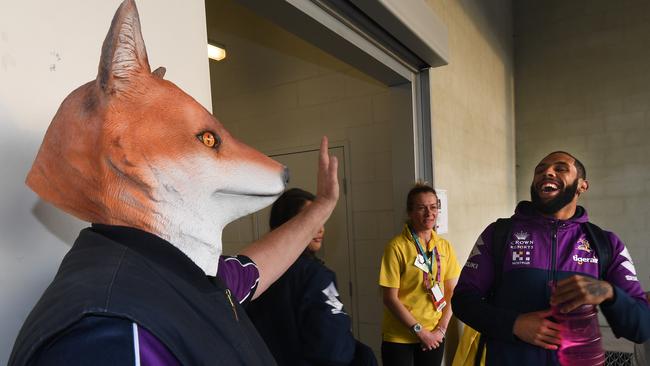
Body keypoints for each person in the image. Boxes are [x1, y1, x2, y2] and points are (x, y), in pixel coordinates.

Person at [452, 151, 650, 366]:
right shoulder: (499, 234)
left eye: (561, 168)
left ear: (582, 185)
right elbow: (463, 301)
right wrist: (513, 325)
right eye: (540, 170)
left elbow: (641, 327)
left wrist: (609, 293)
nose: (547, 172)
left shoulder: (606, 243)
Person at [247, 188, 377, 366]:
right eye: (310, 220)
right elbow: (333, 348)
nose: (320, 229)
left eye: (321, 220)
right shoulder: (314, 276)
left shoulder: (252, 273)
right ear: (289, 224)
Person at [379, 183, 461, 366]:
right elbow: (390, 298)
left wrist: (440, 330)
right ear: (410, 212)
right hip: (400, 338)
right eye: (421, 208)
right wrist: (420, 332)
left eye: (433, 207)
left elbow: (452, 292)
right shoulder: (396, 247)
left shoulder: (444, 246)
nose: (429, 213)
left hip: (435, 335)